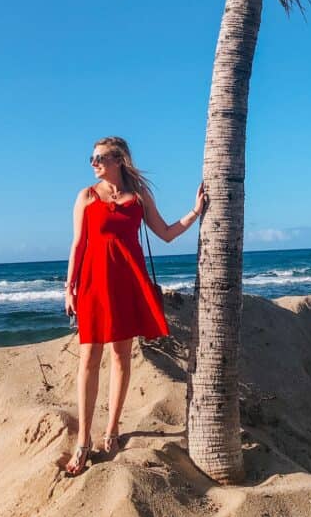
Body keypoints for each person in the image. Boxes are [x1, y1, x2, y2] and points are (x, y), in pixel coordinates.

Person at [63, 136, 206, 476]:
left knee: (120, 355)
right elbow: (78, 243)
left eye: (100, 157)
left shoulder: (138, 198)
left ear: (119, 160)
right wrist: (69, 287)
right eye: (92, 157)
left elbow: (166, 233)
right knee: (88, 358)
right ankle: (83, 440)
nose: (94, 162)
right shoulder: (86, 196)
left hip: (126, 285)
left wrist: (195, 212)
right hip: (94, 286)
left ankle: (111, 430)